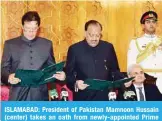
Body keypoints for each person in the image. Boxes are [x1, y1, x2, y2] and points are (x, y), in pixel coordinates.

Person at [1, 11, 65, 101]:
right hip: (17, 95)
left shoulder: (47, 44)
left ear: (38, 28)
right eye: (27, 28)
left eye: (34, 28)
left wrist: (61, 76)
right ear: (22, 26)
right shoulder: (10, 44)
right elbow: (3, 69)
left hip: (40, 96)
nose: (31, 32)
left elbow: (51, 70)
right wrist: (8, 77)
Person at [65, 20, 122, 101]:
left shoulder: (108, 47)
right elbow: (68, 75)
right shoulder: (74, 49)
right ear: (85, 33)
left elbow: (115, 71)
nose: (94, 39)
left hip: (104, 97)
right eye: (91, 35)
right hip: (83, 97)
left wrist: (123, 81)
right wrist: (76, 83)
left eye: (97, 35)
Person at [127, 11, 162, 93]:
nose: (151, 24)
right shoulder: (135, 42)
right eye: (148, 22)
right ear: (143, 25)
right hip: (145, 80)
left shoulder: (160, 40)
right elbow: (131, 64)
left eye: (154, 22)